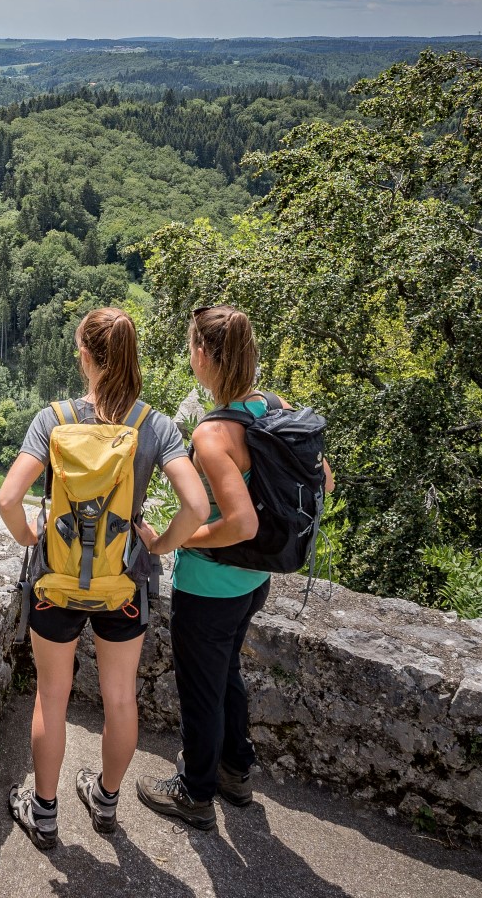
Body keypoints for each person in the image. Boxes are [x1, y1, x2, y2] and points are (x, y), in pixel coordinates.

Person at [0, 308, 208, 847]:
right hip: (122, 587)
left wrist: (30, 538)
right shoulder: (154, 426)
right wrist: (156, 544)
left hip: (57, 582)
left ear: (86, 356)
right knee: (119, 700)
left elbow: (8, 498)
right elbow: (197, 506)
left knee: (51, 697)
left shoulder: (53, 420)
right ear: (133, 358)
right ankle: (106, 803)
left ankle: (45, 816)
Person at [136, 305, 335, 829]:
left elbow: (240, 523)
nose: (189, 355)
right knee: (225, 676)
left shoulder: (212, 434)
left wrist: (177, 544)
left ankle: (195, 793)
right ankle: (235, 771)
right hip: (256, 581)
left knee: (201, 690)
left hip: (210, 586)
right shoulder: (273, 406)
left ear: (203, 354)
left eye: (190, 347)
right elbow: (325, 481)